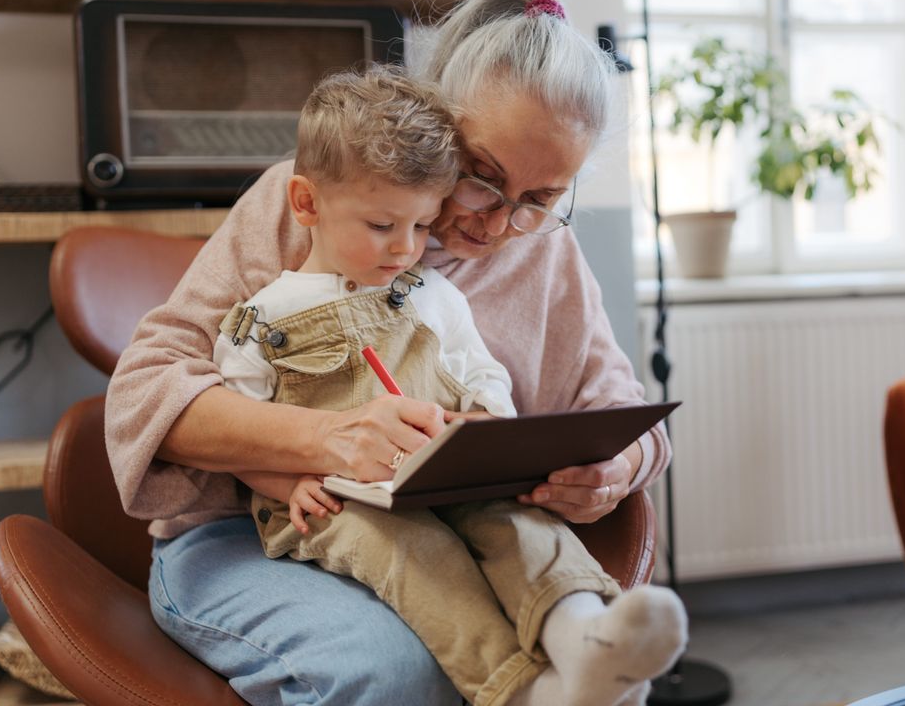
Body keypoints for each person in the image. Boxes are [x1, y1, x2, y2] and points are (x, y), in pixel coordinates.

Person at [106, 0, 675, 706]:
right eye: (482, 178)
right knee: (396, 668)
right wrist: (329, 439)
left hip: (457, 531)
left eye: (538, 200)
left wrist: (614, 470)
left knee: (527, 625)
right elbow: (146, 391)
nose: (498, 224)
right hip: (254, 531)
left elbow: (626, 415)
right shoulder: (313, 201)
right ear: (438, 122)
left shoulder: (546, 253)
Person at [215, 67, 685, 706]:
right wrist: (286, 481)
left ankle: (585, 637)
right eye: (383, 227)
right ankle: (525, 692)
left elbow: (480, 369)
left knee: (516, 521)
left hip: (435, 482)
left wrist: (488, 419)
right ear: (306, 204)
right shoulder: (261, 318)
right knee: (414, 554)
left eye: (420, 226)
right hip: (333, 503)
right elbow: (238, 428)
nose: (406, 249)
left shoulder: (427, 293)